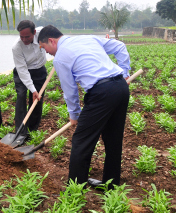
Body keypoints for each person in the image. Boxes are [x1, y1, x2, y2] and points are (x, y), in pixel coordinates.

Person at [38, 25, 130, 188]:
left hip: (102, 93)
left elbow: (70, 90)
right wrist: (125, 72)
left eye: (44, 48)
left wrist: (74, 115)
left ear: (51, 41)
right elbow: (119, 46)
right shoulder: (86, 38)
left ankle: (75, 188)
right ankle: (111, 185)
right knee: (113, 140)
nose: (47, 53)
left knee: (81, 141)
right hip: (121, 88)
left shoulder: (60, 58)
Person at [12, 20, 47, 141]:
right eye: (21, 36)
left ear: (34, 32)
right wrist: (32, 89)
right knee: (21, 96)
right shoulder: (17, 47)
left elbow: (56, 35)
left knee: (37, 100)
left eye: (27, 36)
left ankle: (32, 130)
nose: (24, 39)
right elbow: (22, 71)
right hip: (23, 72)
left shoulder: (43, 33)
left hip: (39, 71)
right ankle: (20, 131)